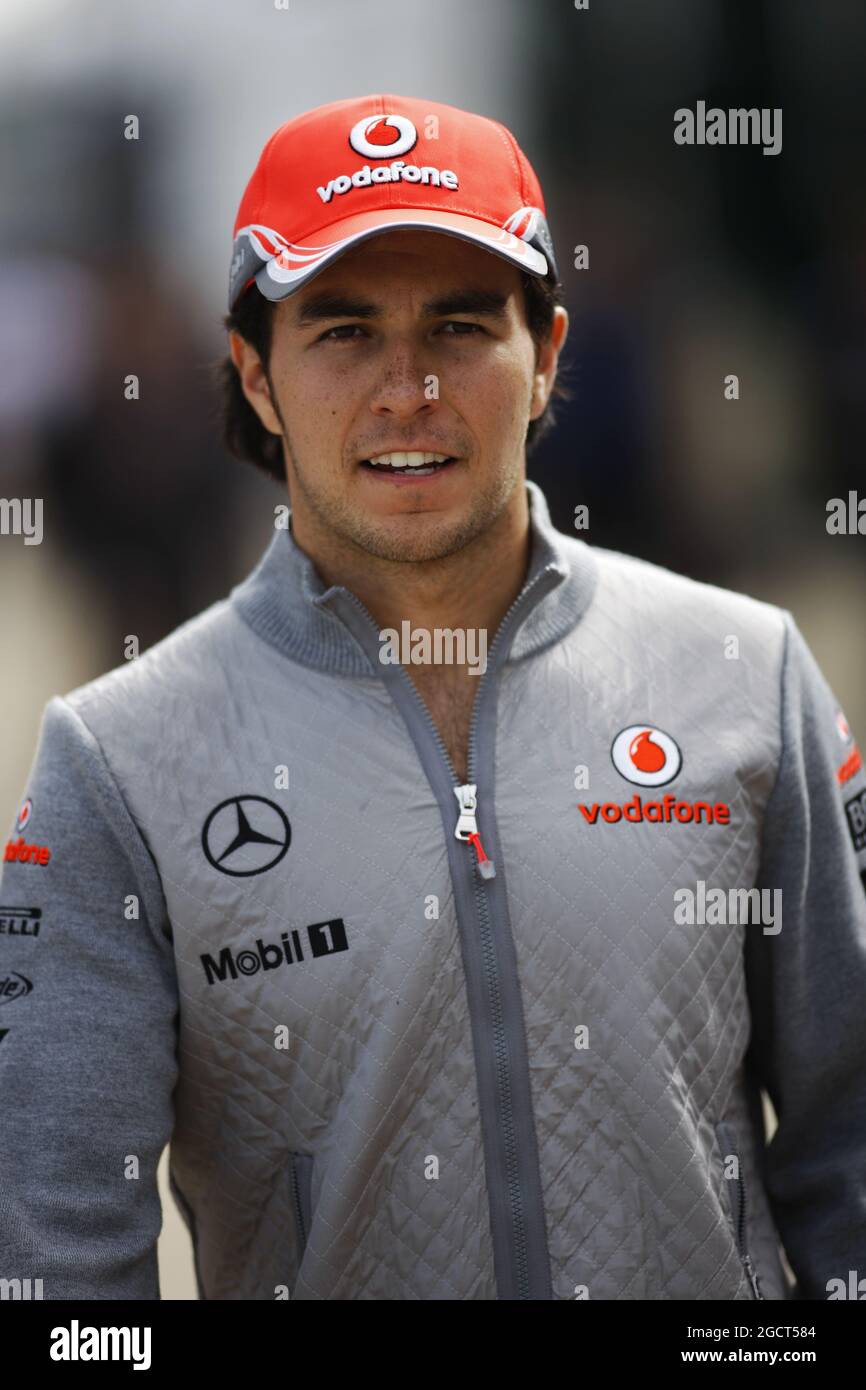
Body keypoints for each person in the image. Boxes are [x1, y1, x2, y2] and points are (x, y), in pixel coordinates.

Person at [1, 93, 865, 1302]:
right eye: (344, 332)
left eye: (460, 326)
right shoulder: (114, 762)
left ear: (546, 354)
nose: (407, 389)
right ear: (254, 374)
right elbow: (56, 1261)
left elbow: (850, 1146)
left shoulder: (746, 672)